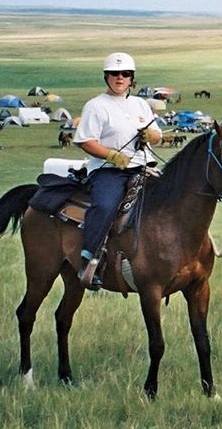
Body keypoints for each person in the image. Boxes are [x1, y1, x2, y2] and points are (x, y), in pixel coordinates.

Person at [74, 52, 162, 289]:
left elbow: (157, 135)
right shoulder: (96, 105)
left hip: (144, 166)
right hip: (108, 170)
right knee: (105, 206)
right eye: (114, 73)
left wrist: (150, 135)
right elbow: (85, 141)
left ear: (132, 78)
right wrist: (112, 156)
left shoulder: (140, 103)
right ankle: (89, 260)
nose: (119, 77)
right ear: (106, 77)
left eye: (125, 74)